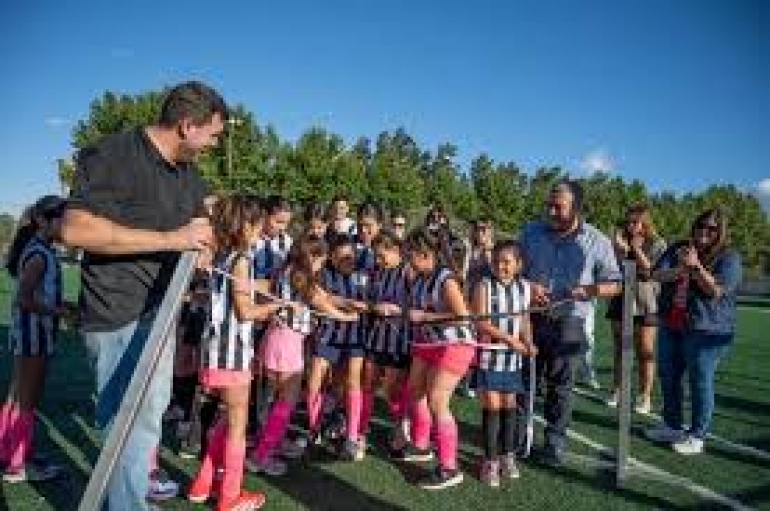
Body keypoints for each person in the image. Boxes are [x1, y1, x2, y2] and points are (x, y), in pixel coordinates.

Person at [59, 81, 225, 510]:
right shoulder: (113, 155)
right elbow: (76, 229)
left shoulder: (187, 174)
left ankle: (129, 499)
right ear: (188, 125)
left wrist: (204, 244)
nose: (213, 144)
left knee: (146, 423)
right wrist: (172, 238)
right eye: (213, 134)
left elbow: (201, 224)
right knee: (125, 424)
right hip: (116, 313)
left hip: (161, 312)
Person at [188, 195, 281, 510]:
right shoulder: (241, 259)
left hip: (213, 353)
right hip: (232, 357)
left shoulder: (223, 256)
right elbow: (244, 311)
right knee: (237, 429)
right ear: (245, 226)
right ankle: (229, 497)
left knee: (226, 423)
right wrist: (273, 308)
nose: (261, 230)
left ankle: (202, 484)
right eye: (257, 224)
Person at [519, 180, 621, 467]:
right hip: (531, 317)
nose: (551, 211)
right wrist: (527, 285)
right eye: (548, 205)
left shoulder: (596, 241)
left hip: (571, 320)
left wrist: (589, 290)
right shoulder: (531, 232)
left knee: (561, 386)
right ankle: (517, 439)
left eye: (558, 207)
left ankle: (554, 443)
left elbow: (615, 284)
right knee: (525, 380)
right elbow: (510, 268)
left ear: (576, 207)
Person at [247, 235, 357, 476]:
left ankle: (270, 443)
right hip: (288, 342)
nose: (322, 262)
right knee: (285, 402)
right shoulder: (301, 275)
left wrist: (347, 303)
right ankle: (261, 456)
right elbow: (321, 302)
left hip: (277, 338)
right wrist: (346, 317)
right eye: (320, 257)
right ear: (311, 255)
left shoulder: (287, 270)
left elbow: (324, 296)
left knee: (279, 400)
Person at [645, 209, 741, 455]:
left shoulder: (729, 257)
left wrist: (696, 267)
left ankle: (697, 435)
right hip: (673, 322)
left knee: (700, 381)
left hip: (707, 329)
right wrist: (680, 270)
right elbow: (655, 273)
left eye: (711, 228)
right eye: (700, 225)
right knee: (668, 376)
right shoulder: (680, 247)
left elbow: (716, 291)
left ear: (720, 232)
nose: (704, 231)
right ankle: (673, 426)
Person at [1, 195, 74, 482]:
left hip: (32, 333)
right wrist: (60, 312)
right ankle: (19, 464)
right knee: (27, 400)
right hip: (34, 335)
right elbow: (24, 299)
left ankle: (9, 451)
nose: (67, 227)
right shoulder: (38, 253)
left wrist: (62, 305)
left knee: (17, 397)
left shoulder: (41, 250)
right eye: (62, 220)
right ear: (43, 221)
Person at [404, 227, 475, 490]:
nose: (407, 259)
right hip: (430, 340)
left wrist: (425, 318)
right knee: (414, 390)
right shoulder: (421, 277)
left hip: (454, 342)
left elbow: (462, 316)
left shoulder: (446, 280)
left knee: (437, 400)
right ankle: (421, 445)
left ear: (426, 253)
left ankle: (449, 467)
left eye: (410, 254)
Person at [469, 240, 536, 488]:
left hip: (512, 359)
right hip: (489, 357)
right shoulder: (484, 286)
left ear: (519, 265)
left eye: (507, 262)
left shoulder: (524, 288)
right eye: (496, 261)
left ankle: (507, 455)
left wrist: (528, 342)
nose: (501, 266)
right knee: (492, 407)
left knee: (509, 406)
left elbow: (525, 320)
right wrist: (511, 341)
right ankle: (489, 460)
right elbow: (481, 323)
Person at [305, 234, 369, 459]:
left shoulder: (364, 274)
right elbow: (320, 298)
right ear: (331, 258)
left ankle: (351, 437)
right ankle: (314, 430)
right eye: (341, 258)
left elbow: (371, 300)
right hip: (328, 333)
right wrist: (346, 304)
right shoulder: (323, 275)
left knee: (351, 381)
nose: (347, 262)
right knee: (315, 381)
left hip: (355, 335)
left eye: (350, 257)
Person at [606, 204, 666, 414]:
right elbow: (612, 268)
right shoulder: (620, 240)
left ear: (646, 223)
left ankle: (645, 396)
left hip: (645, 300)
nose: (631, 226)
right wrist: (619, 250)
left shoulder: (658, 243)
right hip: (621, 297)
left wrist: (635, 249)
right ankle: (618, 390)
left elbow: (651, 270)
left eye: (635, 222)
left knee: (645, 351)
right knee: (621, 349)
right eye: (628, 222)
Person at [360, 229, 412, 457]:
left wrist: (397, 310)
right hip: (376, 337)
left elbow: (420, 306)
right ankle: (359, 431)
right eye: (376, 256)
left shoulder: (409, 272)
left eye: (382, 256)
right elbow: (371, 299)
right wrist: (373, 306)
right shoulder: (377, 272)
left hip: (398, 341)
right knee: (368, 383)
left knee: (393, 389)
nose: (378, 260)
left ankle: (402, 429)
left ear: (396, 250)